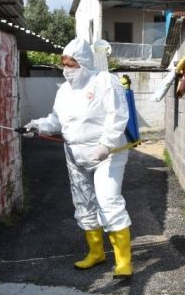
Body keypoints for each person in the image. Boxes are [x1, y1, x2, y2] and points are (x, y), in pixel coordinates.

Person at [24, 38, 133, 278]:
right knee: (83, 204)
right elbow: (56, 120)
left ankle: (123, 261)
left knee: (107, 200)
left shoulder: (104, 80)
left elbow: (118, 114)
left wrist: (106, 144)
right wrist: (37, 126)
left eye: (71, 63)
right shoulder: (64, 90)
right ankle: (96, 253)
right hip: (75, 154)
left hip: (108, 154)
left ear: (83, 62)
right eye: (64, 63)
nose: (66, 68)